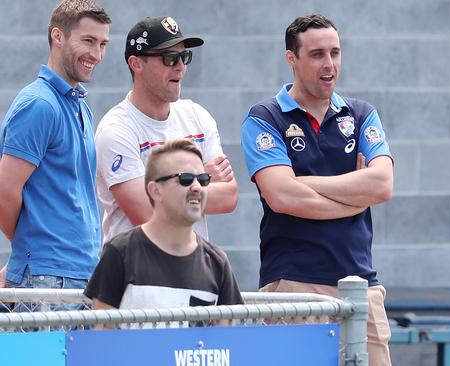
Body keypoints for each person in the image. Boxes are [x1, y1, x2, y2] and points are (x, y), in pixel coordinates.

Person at [241, 13, 394, 366]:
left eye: (335, 53)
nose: (329, 65)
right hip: (295, 283)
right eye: (317, 55)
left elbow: (382, 185)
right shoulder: (265, 117)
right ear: (291, 59)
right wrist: (355, 197)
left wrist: (306, 184)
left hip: (361, 284)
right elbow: (282, 197)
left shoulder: (360, 114)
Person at [0, 0, 110, 294]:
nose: (97, 54)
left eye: (102, 44)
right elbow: (4, 193)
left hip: (79, 274)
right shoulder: (39, 104)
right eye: (88, 41)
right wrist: (32, 250)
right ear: (57, 37)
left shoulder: (79, 105)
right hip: (49, 277)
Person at [95, 16, 237, 243]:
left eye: (184, 56)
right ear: (136, 64)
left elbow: (229, 198)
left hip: (193, 268)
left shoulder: (197, 116)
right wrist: (200, 178)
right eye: (170, 58)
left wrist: (165, 192)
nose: (181, 67)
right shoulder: (116, 129)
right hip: (136, 270)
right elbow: (146, 214)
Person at [84, 139, 243, 318]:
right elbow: (103, 339)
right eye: (186, 179)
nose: (197, 187)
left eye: (203, 179)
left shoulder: (216, 262)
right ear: (155, 190)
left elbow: (227, 339)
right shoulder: (119, 253)